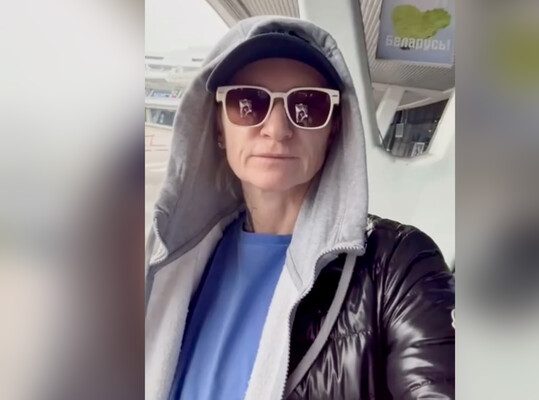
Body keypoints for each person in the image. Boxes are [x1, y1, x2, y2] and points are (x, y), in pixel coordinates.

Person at [145, 16, 455, 400]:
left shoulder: (398, 266)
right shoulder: (168, 264)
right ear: (218, 127)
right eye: (248, 102)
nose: (277, 129)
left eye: (307, 105)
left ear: (334, 128)